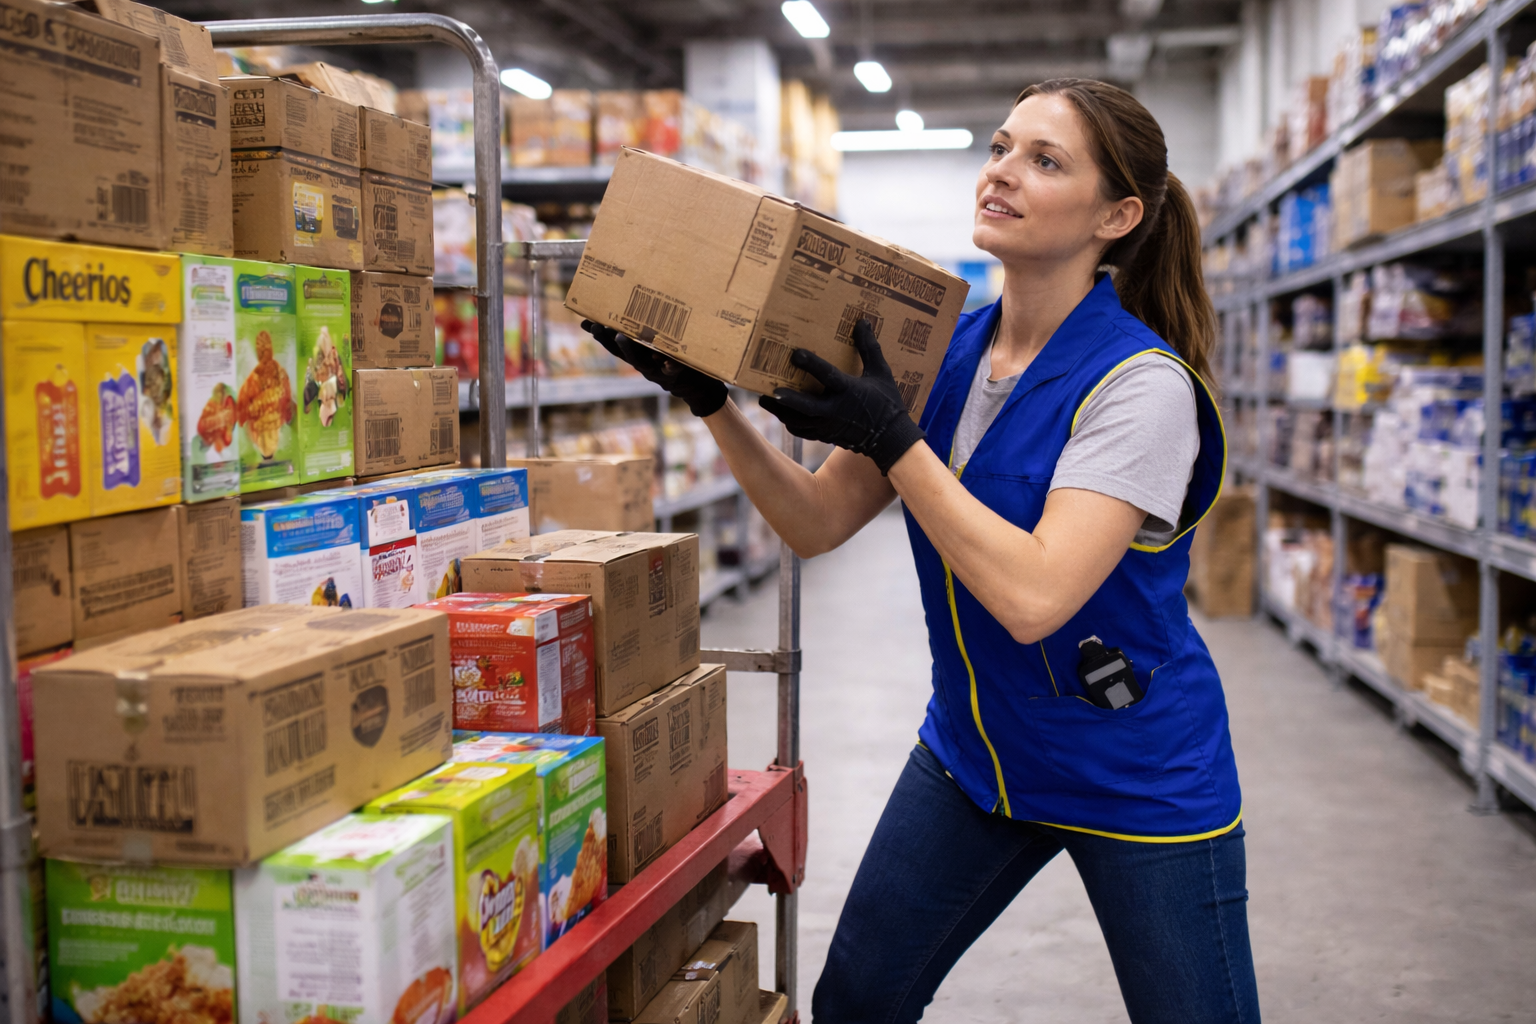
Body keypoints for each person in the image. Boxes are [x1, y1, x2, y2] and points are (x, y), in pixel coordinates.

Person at [582, 78, 1259, 1023]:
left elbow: (1034, 596)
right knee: (859, 998)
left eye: (1044, 160)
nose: (1002, 173)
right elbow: (816, 523)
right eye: (1000, 147)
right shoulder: (945, 355)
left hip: (1135, 767)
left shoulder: (1141, 387)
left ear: (1119, 215)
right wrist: (712, 405)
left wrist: (895, 438)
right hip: (978, 753)